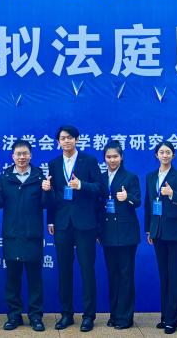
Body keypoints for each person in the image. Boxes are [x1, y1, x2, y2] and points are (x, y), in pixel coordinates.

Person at [0, 140, 53, 332]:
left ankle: (36, 317)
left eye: (25, 153)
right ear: (12, 156)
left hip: (33, 236)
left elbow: (47, 204)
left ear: (30, 155)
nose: (22, 157)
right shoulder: (5, 177)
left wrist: (47, 191)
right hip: (12, 236)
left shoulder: (39, 177)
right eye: (18, 154)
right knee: (12, 280)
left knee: (35, 280)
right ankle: (14, 316)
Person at [46, 125, 101, 332]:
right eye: (63, 138)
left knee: (87, 269)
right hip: (62, 223)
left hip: (85, 223)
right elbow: (52, 194)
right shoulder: (53, 164)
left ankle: (88, 316)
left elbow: (100, 188)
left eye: (70, 137)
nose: (66, 141)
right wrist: (51, 221)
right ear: (58, 142)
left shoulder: (89, 161)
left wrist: (82, 185)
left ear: (77, 139)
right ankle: (66, 314)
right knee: (64, 270)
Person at [144, 141, 177, 335]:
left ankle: (173, 319)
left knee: (175, 276)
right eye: (161, 152)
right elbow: (148, 203)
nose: (164, 155)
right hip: (158, 231)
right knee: (164, 276)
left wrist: (172, 194)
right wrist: (149, 229)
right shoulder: (150, 176)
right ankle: (165, 317)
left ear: (173, 155)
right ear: (156, 155)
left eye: (168, 152)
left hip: (175, 231)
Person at [98, 141, 141, 330]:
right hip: (107, 233)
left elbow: (138, 201)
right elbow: (97, 206)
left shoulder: (130, 177)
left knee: (125, 275)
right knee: (113, 275)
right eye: (108, 157)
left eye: (115, 156)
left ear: (121, 157)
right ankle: (114, 314)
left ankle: (125, 318)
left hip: (126, 233)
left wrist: (127, 197)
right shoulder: (101, 178)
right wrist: (98, 231)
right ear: (104, 159)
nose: (112, 160)